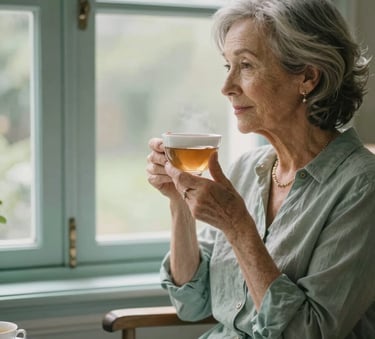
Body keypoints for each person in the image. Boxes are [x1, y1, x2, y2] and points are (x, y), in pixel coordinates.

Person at [146, 0, 375, 338]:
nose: (226, 87)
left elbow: (304, 332)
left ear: (308, 77)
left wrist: (239, 227)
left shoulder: (362, 187)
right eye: (228, 66)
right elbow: (192, 303)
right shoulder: (244, 170)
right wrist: (179, 203)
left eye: (247, 66)